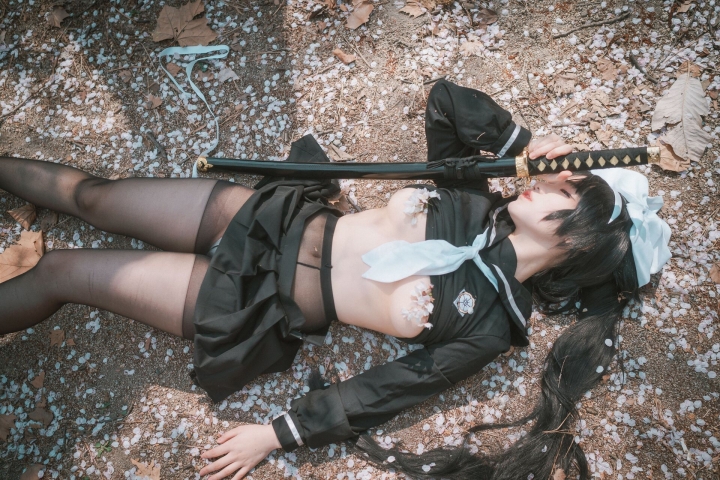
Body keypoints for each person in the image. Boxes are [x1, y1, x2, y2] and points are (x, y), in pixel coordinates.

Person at [0, 79, 670, 480]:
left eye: (567, 192)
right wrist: (520, 146)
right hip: (265, 217)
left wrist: (274, 435)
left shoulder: (493, 325)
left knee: (63, 271)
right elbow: (446, 102)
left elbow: (389, 388)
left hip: (253, 302)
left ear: (576, 240)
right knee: (93, 197)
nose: (550, 183)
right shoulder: (477, 196)